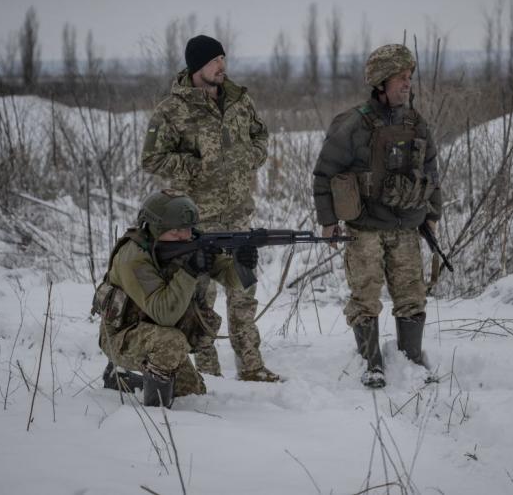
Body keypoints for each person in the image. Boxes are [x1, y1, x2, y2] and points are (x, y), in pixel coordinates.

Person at [140, 35, 279, 382]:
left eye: (223, 58)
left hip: (238, 214)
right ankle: (207, 370)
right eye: (215, 60)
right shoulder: (172, 110)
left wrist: (251, 156)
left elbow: (260, 136)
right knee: (201, 296)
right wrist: (197, 165)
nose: (222, 66)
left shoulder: (238, 100)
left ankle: (251, 365)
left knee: (244, 290)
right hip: (196, 219)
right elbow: (152, 158)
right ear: (196, 66)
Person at [311, 44, 442, 388]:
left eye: (409, 78)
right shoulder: (352, 125)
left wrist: (433, 213)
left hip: (406, 226)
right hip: (365, 228)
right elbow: (324, 173)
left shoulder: (416, 123)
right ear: (381, 81)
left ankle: (411, 360)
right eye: (401, 78)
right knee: (365, 297)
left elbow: (431, 169)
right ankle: (371, 363)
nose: (407, 84)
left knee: (412, 295)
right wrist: (328, 221)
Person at [92, 189, 259, 406]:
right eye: (176, 231)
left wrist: (242, 264)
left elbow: (231, 279)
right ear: (154, 229)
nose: (185, 236)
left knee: (192, 392)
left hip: (157, 333)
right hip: (121, 336)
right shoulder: (132, 258)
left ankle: (121, 378)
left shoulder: (192, 242)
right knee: (171, 343)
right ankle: (157, 414)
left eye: (188, 229)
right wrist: (189, 272)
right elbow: (165, 316)